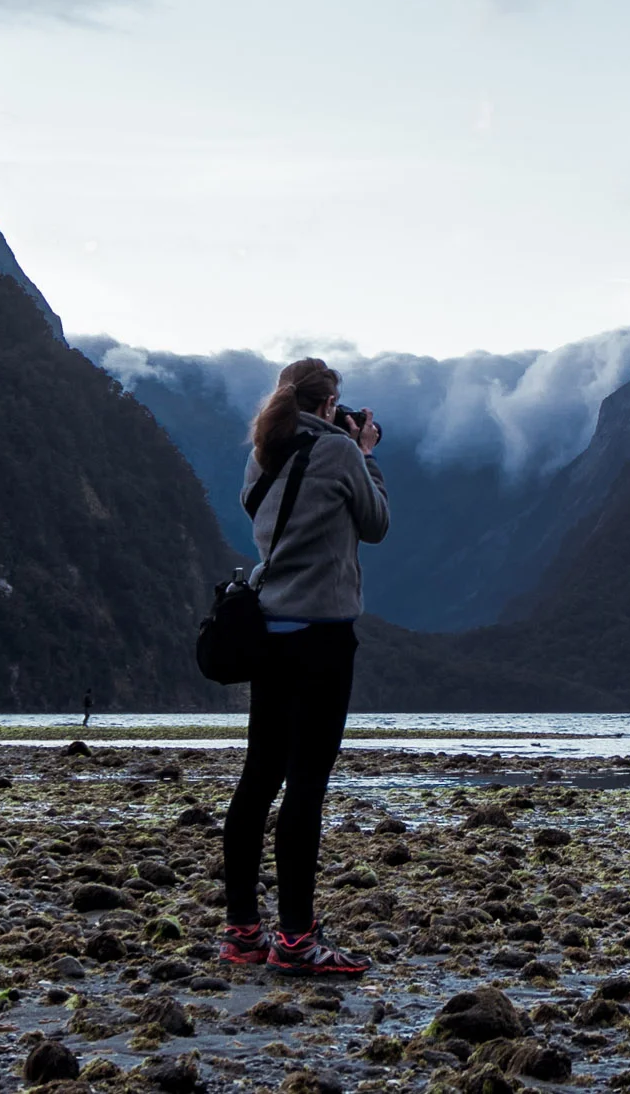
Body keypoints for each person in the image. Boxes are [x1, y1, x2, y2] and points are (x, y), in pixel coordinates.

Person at [219, 357, 387, 975]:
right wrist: (363, 450)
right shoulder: (340, 452)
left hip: (269, 633)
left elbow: (256, 512)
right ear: (328, 403)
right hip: (322, 636)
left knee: (258, 778)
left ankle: (241, 931)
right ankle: (296, 938)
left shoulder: (263, 449)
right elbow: (376, 524)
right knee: (306, 784)